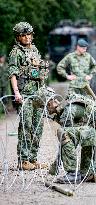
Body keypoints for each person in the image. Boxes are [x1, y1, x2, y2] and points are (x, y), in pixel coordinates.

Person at [8, 22, 48, 170]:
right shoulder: (15, 52)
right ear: (18, 37)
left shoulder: (35, 50)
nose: (26, 37)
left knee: (38, 126)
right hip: (24, 94)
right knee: (26, 126)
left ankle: (33, 158)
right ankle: (24, 160)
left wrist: (43, 86)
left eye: (28, 34)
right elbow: (12, 74)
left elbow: (38, 71)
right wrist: (16, 92)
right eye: (23, 35)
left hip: (37, 93)